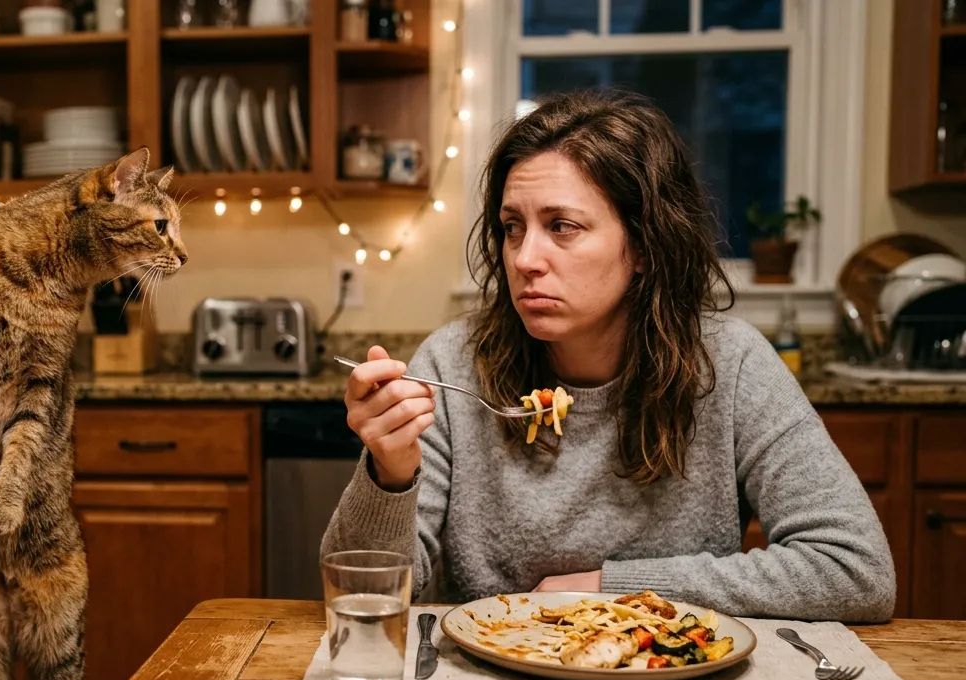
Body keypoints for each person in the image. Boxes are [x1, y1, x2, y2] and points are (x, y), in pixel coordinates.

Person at [323, 89, 895, 622]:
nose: (524, 259)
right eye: (512, 227)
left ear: (644, 245)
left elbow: (856, 568)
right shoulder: (452, 365)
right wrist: (390, 472)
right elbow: (362, 595)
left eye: (562, 227)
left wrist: (612, 588)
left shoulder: (730, 365)